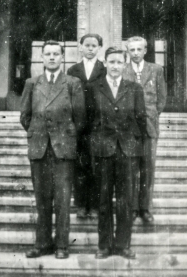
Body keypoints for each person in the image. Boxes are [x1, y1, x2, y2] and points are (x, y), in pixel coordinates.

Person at [20, 40, 85, 259]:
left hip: (63, 149)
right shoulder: (32, 83)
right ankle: (42, 244)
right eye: (47, 54)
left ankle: (62, 246)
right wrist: (38, 133)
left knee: (63, 199)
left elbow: (80, 118)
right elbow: (25, 116)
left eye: (56, 54)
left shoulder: (72, 83)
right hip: (39, 148)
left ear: (62, 57)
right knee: (42, 199)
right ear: (41, 56)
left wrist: (63, 136)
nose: (51, 57)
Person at [87, 47, 147, 259]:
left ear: (125, 64)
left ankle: (123, 245)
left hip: (127, 151)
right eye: (111, 62)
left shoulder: (135, 88)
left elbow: (141, 119)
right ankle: (104, 245)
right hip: (103, 151)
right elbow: (88, 120)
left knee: (126, 200)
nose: (115, 66)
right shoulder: (94, 88)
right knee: (103, 200)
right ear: (105, 62)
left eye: (119, 62)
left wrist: (134, 146)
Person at [123, 36, 167, 223]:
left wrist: (150, 115)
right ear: (128, 51)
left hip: (149, 127)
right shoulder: (123, 70)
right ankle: (132, 208)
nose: (135, 53)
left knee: (148, 170)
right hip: (129, 130)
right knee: (131, 170)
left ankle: (146, 209)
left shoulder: (156, 70)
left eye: (138, 49)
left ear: (145, 50)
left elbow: (161, 98)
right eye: (131, 50)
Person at [67, 33, 106, 219]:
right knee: (80, 166)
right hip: (78, 125)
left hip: (99, 126)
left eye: (94, 45)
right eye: (87, 45)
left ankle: (96, 205)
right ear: (80, 47)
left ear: (99, 48)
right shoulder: (73, 70)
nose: (90, 48)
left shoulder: (104, 69)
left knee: (97, 166)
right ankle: (81, 205)